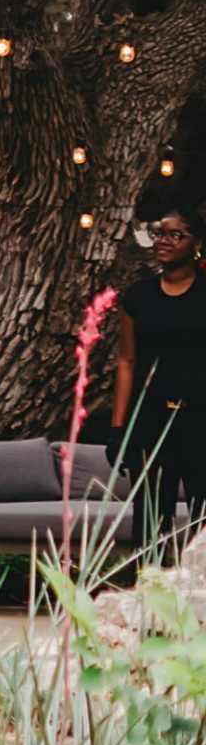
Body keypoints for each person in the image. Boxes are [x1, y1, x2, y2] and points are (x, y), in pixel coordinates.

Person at [112, 205, 206, 555]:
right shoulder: (139, 295)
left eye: (175, 234)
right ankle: (147, 597)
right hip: (149, 419)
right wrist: (118, 429)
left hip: (199, 419)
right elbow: (126, 360)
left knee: (203, 516)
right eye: (159, 233)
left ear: (196, 243)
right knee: (150, 517)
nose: (164, 241)